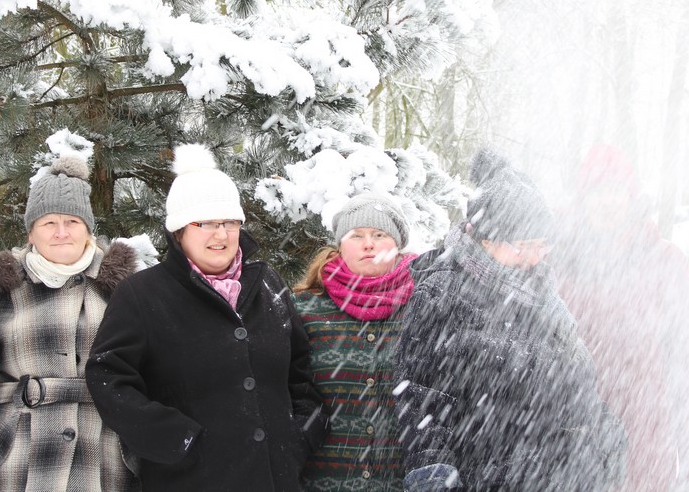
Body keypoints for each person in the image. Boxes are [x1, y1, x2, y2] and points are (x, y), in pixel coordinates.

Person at [86, 143, 329, 491]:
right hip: (190, 480)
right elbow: (107, 376)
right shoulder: (142, 293)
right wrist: (175, 440)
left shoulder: (267, 284)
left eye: (230, 222)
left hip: (276, 478)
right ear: (180, 231)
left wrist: (301, 434)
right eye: (206, 223)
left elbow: (300, 370)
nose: (221, 234)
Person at [394, 148, 625, 492]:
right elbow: (421, 404)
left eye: (541, 246)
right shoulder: (442, 295)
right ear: (483, 238)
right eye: (522, 246)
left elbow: (580, 393)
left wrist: (604, 448)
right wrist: (437, 479)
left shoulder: (546, 300)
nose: (534, 258)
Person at [552, 144, 689, 492]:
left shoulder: (665, 263)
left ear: (631, 196)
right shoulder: (556, 263)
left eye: (616, 190)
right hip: (571, 454)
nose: (607, 202)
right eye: (597, 191)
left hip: (645, 452)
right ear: (582, 199)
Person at [0, 155, 140, 492]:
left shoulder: (124, 287)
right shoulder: (1, 286)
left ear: (88, 229)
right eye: (48, 222)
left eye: (72, 221)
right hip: (19, 453)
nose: (61, 232)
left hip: (102, 454)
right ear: (31, 232)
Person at [293, 193, 420, 491]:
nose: (368, 244)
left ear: (397, 244)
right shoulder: (303, 310)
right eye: (357, 235)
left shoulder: (424, 306)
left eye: (379, 234)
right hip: (322, 482)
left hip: (401, 482)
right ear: (340, 245)